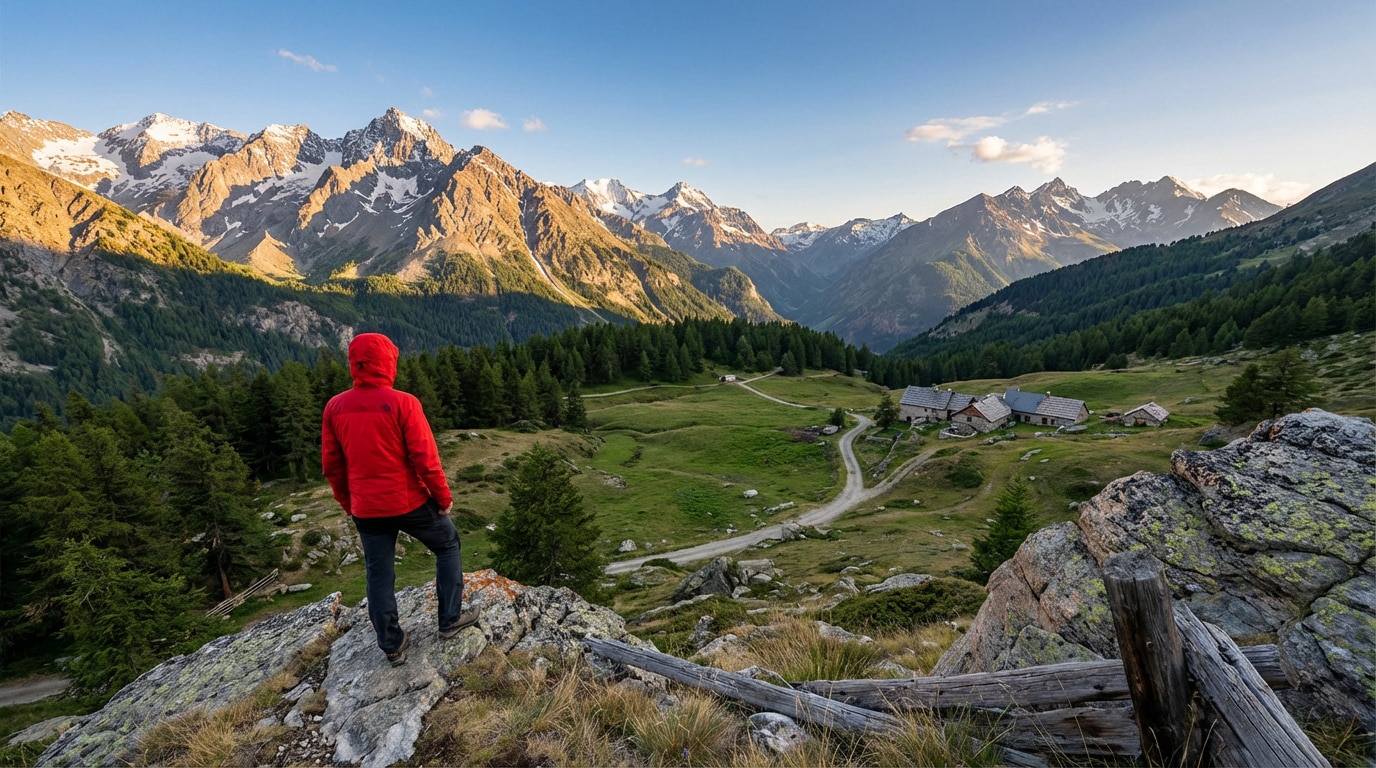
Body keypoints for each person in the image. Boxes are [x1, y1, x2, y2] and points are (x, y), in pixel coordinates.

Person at [322, 332, 477, 666]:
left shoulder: (335, 407)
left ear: (355, 363)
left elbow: (332, 466)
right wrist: (442, 497)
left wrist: (349, 503)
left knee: (379, 573)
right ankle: (450, 620)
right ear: (388, 362)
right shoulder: (404, 402)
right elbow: (425, 457)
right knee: (447, 544)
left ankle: (392, 644)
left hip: (367, 508)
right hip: (409, 503)